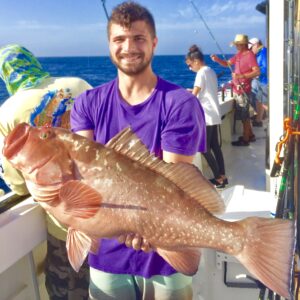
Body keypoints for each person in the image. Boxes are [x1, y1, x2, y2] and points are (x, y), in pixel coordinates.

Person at [70, 2, 206, 300]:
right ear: (109, 45)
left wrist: (146, 227)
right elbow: (80, 174)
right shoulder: (86, 104)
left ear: (154, 43)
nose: (129, 47)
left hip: (168, 256)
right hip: (106, 256)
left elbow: (178, 184)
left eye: (139, 39)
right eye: (119, 39)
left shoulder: (179, 103)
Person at [0, 44, 93, 300]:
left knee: (66, 290)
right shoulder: (79, 84)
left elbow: (17, 183)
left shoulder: (7, 112)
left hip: (66, 226)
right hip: (111, 212)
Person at [186, 45, 228, 189]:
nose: (190, 68)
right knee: (215, 146)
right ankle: (223, 175)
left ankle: (218, 178)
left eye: (189, 65)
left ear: (196, 61)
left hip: (207, 115)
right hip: (214, 113)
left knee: (203, 148)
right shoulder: (210, 71)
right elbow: (207, 91)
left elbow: (195, 95)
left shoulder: (200, 73)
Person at [211, 34, 260, 146]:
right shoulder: (239, 55)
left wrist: (241, 76)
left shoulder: (250, 55)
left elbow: (257, 71)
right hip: (237, 90)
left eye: (238, 44)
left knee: (245, 117)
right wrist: (217, 59)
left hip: (243, 91)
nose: (236, 46)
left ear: (243, 44)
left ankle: (246, 139)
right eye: (236, 44)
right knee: (244, 116)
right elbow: (227, 63)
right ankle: (251, 135)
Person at [248, 37, 268, 127]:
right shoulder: (258, 53)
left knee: (263, 102)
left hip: (264, 81)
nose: (250, 50)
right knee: (258, 99)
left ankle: (263, 116)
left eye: (251, 48)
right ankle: (259, 119)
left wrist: (254, 73)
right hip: (260, 80)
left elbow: (266, 68)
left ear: (256, 45)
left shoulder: (264, 53)